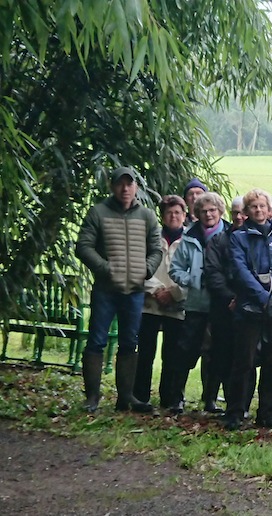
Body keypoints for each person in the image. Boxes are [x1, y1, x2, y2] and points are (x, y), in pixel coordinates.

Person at [75, 166, 162, 413]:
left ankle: (126, 397)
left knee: (129, 343)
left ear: (136, 187)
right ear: (113, 186)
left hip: (134, 291)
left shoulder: (146, 216)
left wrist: (146, 270)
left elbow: (157, 249)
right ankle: (92, 397)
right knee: (96, 341)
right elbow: (83, 246)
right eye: (120, 184)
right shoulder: (98, 212)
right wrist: (104, 268)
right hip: (105, 290)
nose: (125, 189)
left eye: (129, 184)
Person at [223, 188, 272, 431]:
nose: (259, 210)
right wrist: (262, 297)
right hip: (250, 308)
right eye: (254, 207)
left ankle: (267, 412)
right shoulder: (238, 238)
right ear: (247, 211)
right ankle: (235, 412)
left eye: (262, 206)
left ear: (269, 209)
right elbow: (240, 271)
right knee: (244, 362)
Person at [169, 193, 229, 414]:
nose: (208, 214)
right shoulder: (188, 237)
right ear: (197, 214)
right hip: (195, 303)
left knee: (218, 351)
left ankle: (211, 399)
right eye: (203, 211)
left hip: (221, 304)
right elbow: (175, 269)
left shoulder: (230, 234)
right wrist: (194, 280)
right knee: (186, 350)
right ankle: (177, 398)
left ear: (220, 211)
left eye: (212, 210)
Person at [135, 195, 186, 410]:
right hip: (150, 303)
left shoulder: (191, 242)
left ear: (184, 215)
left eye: (177, 212)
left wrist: (174, 293)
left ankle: (170, 398)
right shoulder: (150, 239)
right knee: (145, 352)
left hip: (177, 305)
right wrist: (156, 290)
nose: (173, 216)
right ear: (162, 216)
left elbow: (195, 273)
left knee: (172, 355)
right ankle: (140, 396)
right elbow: (139, 266)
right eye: (168, 212)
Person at [204, 197, 248, 417]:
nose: (239, 217)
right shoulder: (219, 240)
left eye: (243, 212)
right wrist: (229, 298)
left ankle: (240, 403)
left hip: (248, 306)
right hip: (223, 306)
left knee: (245, 356)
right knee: (219, 353)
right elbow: (213, 273)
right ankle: (211, 398)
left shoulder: (254, 239)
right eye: (235, 213)